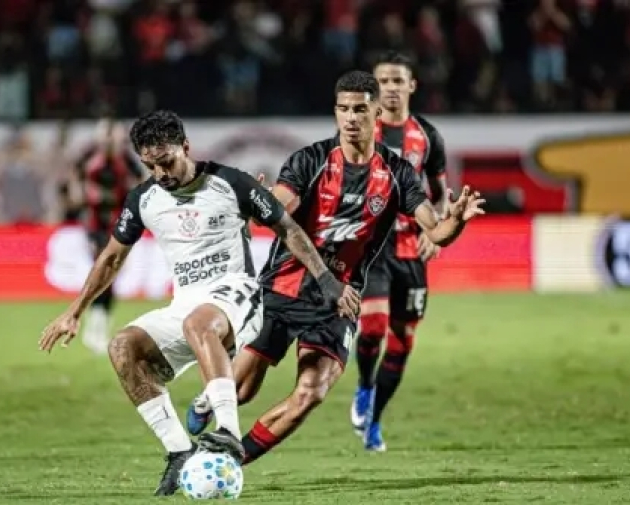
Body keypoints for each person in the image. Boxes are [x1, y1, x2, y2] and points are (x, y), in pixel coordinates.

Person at [39, 110, 359, 495]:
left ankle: (228, 431)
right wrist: (74, 312)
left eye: (167, 162)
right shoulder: (144, 199)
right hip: (187, 303)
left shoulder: (230, 182)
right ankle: (178, 451)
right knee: (123, 347)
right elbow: (111, 257)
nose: (160, 173)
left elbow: (287, 229)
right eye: (150, 165)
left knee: (199, 324)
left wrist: (327, 281)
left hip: (240, 294)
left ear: (185, 147)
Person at [185, 70, 485, 465]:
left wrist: (457, 220)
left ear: (377, 113)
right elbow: (280, 206)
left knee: (311, 392)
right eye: (343, 108)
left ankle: (231, 460)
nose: (350, 117)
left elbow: (436, 230)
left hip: (336, 302)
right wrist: (259, 204)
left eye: (360, 109)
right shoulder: (310, 160)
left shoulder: (398, 175)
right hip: (282, 291)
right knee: (240, 393)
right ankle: (210, 398)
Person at [350, 52, 450, 452]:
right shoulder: (358, 130)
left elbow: (441, 195)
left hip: (411, 250)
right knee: (372, 325)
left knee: (403, 339)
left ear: (411, 86)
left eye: (397, 81)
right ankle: (363, 385)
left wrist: (437, 231)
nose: (390, 89)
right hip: (372, 247)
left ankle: (375, 419)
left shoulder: (426, 136)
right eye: (383, 82)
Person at [68, 116, 146, 354]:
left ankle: (99, 325)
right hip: (96, 225)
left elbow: (141, 178)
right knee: (102, 272)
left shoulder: (124, 158)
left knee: (111, 276)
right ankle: (94, 326)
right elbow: (75, 175)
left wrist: (133, 199)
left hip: (118, 224)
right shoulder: (91, 155)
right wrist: (81, 193)